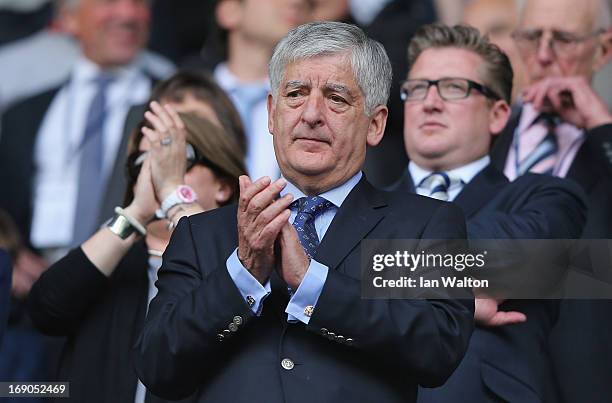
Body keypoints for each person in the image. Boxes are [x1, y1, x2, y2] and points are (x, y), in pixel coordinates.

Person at [134, 21, 474, 403]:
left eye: (336, 98)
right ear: (271, 113)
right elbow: (157, 367)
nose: (311, 114)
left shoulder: (422, 224)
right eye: (295, 94)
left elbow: (438, 349)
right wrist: (242, 274)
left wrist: (313, 283)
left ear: (376, 125)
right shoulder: (202, 233)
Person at [393, 24, 586, 402]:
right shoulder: (356, 200)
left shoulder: (547, 196)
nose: (430, 102)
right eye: (416, 89)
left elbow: (503, 259)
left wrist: (365, 270)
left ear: (498, 114)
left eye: (454, 87)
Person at [27, 72, 246, 403]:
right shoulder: (112, 259)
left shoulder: (248, 258)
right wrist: (134, 214)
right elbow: (46, 308)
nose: (160, 174)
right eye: (145, 162)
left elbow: (223, 294)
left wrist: (175, 195)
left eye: (178, 158)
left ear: (223, 185)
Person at [488, 1, 612, 401]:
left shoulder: (605, 142)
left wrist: (602, 128)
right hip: (482, 369)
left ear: (604, 50)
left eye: (563, 40)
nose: (542, 56)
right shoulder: (478, 131)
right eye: (530, 38)